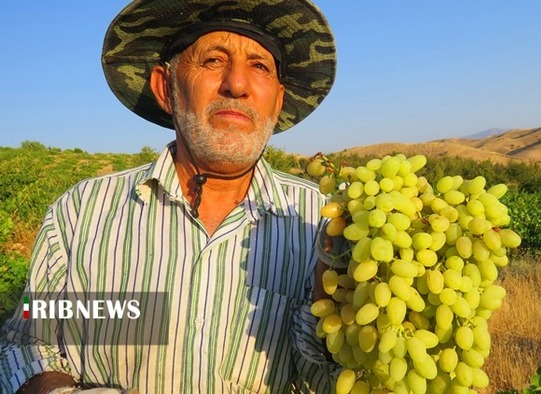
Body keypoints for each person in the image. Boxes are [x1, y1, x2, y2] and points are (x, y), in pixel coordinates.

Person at [0, 0, 338, 392]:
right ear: (166, 87)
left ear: (277, 101)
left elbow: (329, 379)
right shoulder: (81, 213)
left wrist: (332, 298)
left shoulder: (320, 222)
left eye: (259, 66)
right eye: (213, 60)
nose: (237, 85)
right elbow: (27, 343)